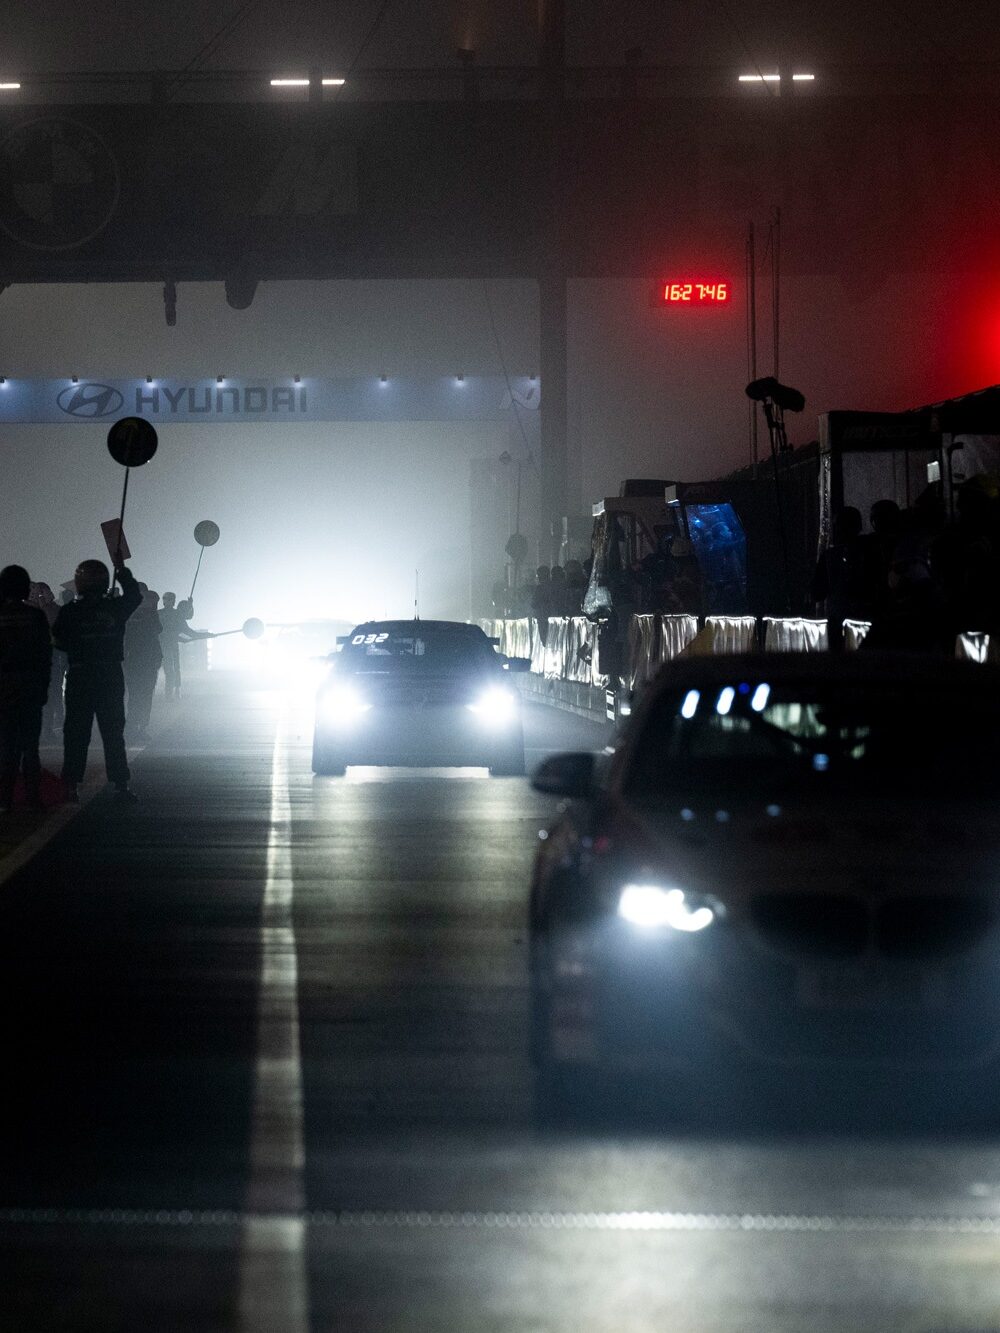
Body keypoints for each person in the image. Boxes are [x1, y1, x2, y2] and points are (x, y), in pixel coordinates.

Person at [53, 559, 142, 802]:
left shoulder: (70, 611)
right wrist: (123, 572)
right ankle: (121, 785)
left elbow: (59, 641)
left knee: (76, 733)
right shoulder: (114, 607)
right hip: (109, 675)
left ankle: (71, 786)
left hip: (80, 675)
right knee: (113, 732)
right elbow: (134, 596)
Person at [0, 565, 52, 812]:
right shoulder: (35, 616)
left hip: (4, 686)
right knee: (30, 747)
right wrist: (43, 686)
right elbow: (45, 654)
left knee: (6, 746)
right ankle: (33, 797)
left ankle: (5, 799)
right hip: (31, 685)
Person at [124, 586, 163, 741]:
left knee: (141, 695)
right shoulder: (137, 616)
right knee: (140, 695)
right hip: (140, 660)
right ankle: (135, 726)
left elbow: (158, 629)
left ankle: (137, 726)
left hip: (144, 661)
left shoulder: (147, 615)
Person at [29, 581, 64, 741]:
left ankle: (47, 729)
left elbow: (54, 628)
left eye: (40, 593)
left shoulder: (54, 609)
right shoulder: (25, 610)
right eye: (33, 593)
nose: (37, 596)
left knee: (50, 695)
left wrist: (45, 607)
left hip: (50, 658)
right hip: (30, 661)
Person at [159, 591, 182, 698]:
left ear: (173, 601)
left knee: (175, 668)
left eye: (170, 599)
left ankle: (174, 690)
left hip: (172, 645)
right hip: (161, 645)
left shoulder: (177, 614)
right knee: (168, 669)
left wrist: (190, 606)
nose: (167, 601)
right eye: (165, 598)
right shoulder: (158, 613)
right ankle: (168, 693)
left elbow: (187, 616)